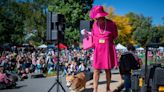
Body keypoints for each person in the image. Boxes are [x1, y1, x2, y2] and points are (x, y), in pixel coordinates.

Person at [89, 5, 118, 92]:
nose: (97, 20)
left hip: (107, 49)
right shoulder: (94, 25)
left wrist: (107, 39)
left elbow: (115, 35)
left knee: (107, 70)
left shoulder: (111, 24)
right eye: (96, 18)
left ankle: (108, 87)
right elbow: (93, 36)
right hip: (98, 50)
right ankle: (95, 89)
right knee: (96, 70)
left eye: (99, 18)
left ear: (103, 16)